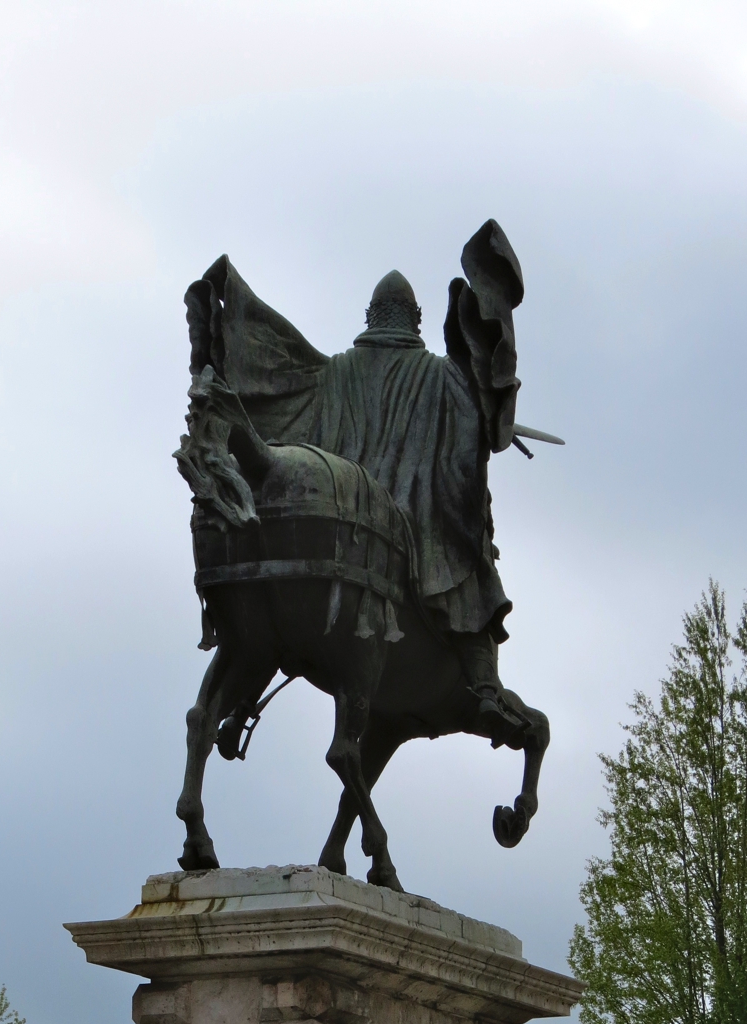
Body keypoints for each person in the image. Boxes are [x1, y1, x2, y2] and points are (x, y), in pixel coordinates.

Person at [183, 221, 526, 723]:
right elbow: (460, 470)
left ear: (370, 316)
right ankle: (485, 685)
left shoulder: (329, 373)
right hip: (414, 525)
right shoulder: (443, 377)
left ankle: (242, 699)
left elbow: (296, 450)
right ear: (417, 319)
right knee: (475, 552)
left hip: (345, 523)